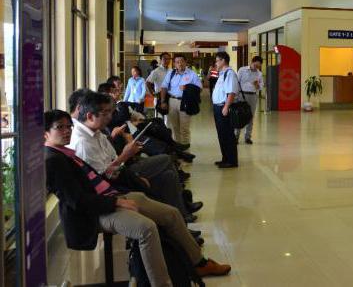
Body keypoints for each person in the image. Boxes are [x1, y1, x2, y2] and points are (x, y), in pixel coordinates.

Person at [44, 109, 231, 286]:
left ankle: (199, 263)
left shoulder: (66, 153)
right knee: (146, 228)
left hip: (110, 196)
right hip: (95, 213)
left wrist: (119, 185)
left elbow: (97, 179)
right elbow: (78, 201)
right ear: (45, 133)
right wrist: (117, 201)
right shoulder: (54, 160)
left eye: (69, 126)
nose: (67, 131)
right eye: (60, 127)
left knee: (171, 214)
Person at [68, 90, 200, 223]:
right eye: (105, 112)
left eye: (110, 111)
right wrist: (125, 155)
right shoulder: (82, 139)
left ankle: (179, 215)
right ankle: (179, 211)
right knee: (164, 159)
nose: (109, 116)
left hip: (122, 170)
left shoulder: (95, 131)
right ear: (84, 110)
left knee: (168, 175)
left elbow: (112, 156)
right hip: (117, 181)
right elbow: (104, 177)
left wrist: (122, 150)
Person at [159, 55, 202, 144]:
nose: (180, 64)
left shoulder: (192, 74)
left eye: (182, 61)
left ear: (185, 62)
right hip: (172, 101)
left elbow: (199, 89)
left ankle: (186, 152)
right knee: (174, 128)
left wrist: (187, 87)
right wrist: (163, 101)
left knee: (184, 129)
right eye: (177, 62)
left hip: (185, 102)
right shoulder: (171, 74)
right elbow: (164, 87)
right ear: (174, 64)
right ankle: (178, 150)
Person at [211, 52, 239, 168]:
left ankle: (232, 161)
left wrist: (226, 107)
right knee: (221, 134)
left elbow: (231, 92)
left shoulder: (230, 73)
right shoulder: (222, 73)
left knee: (227, 135)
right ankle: (225, 158)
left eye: (217, 61)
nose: (216, 63)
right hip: (218, 107)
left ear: (223, 61)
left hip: (223, 107)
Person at [235, 56, 264, 144]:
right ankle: (236, 136)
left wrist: (257, 85)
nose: (256, 68)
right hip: (242, 95)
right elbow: (236, 82)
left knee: (250, 116)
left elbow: (261, 86)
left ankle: (248, 137)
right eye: (255, 65)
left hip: (253, 96)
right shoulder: (242, 70)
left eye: (258, 66)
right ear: (252, 62)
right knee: (239, 116)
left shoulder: (259, 74)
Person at [147, 53, 172, 119]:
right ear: (161, 60)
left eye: (168, 59)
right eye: (165, 59)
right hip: (159, 98)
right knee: (160, 119)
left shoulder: (171, 71)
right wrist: (153, 93)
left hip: (170, 97)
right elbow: (148, 82)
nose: (167, 60)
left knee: (169, 119)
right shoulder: (156, 71)